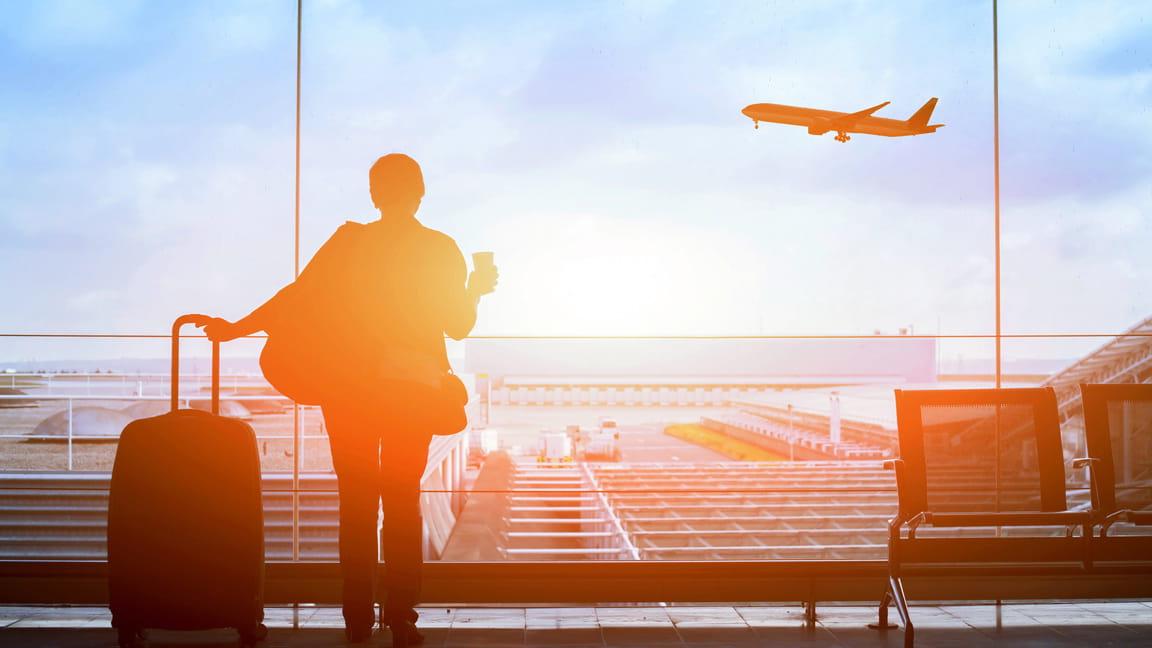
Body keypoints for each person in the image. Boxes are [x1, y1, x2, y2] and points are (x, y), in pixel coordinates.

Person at [199, 153, 497, 645]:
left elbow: (295, 296)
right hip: (410, 392)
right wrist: (475, 288)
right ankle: (402, 619)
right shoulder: (439, 248)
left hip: (350, 392)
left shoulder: (348, 244)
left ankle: (356, 619)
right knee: (402, 501)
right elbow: (459, 325)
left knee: (356, 504)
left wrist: (235, 330)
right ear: (420, 193)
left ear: (374, 194)